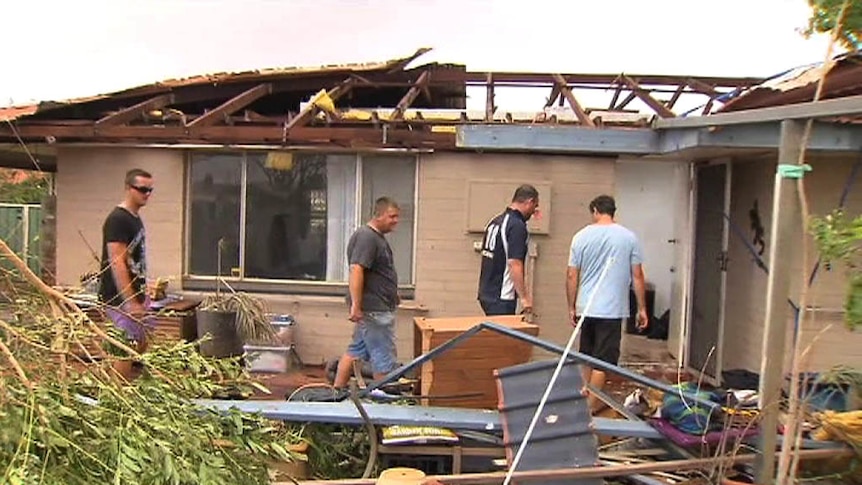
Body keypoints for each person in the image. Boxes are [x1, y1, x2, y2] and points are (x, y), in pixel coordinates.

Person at [566, 194, 647, 413]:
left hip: (586, 306)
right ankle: (590, 405)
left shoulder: (580, 237)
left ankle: (585, 395)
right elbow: (637, 275)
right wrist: (642, 308)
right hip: (611, 309)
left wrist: (572, 306)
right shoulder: (629, 237)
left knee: (587, 354)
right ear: (613, 211)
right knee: (604, 359)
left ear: (595, 211)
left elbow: (572, 275)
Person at [333, 197, 401, 389]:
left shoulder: (376, 237)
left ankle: (335, 392)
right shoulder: (367, 237)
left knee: (356, 350)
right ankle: (383, 403)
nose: (396, 221)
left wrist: (392, 293)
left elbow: (377, 273)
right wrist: (355, 304)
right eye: (392, 216)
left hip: (376, 305)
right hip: (374, 309)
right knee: (383, 354)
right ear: (378, 215)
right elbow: (357, 269)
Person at [98, 168, 155, 353]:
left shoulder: (135, 218)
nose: (146, 194)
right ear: (128, 188)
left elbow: (134, 259)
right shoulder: (118, 219)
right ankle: (118, 382)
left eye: (149, 190)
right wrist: (130, 301)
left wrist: (145, 287)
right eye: (142, 189)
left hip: (139, 294)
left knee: (143, 344)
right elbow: (117, 261)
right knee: (124, 349)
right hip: (119, 299)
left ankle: (134, 381)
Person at [477, 184, 539, 316]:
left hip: (486, 291)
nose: (534, 212)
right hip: (502, 295)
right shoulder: (516, 226)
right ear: (530, 202)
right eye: (535, 206)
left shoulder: (495, 221)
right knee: (503, 335)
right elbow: (514, 263)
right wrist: (524, 298)